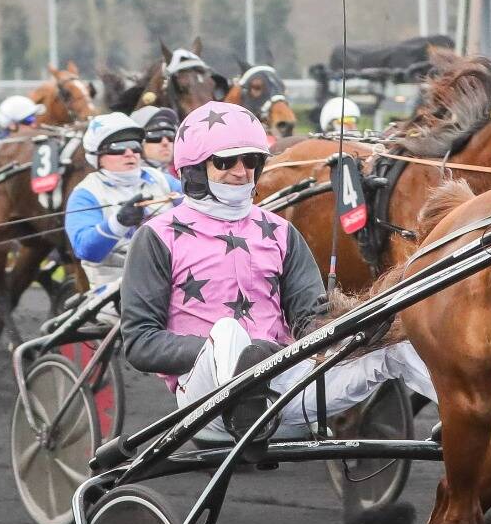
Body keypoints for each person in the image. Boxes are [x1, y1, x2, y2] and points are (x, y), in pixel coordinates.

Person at [120, 103, 433, 436]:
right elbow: (141, 342)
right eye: (225, 162)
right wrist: (231, 352)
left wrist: (356, 329)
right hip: (206, 403)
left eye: (252, 161)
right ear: (195, 168)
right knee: (229, 332)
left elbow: (309, 321)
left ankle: (478, 419)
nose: (241, 172)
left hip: (284, 385)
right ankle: (247, 411)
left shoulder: (280, 232)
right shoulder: (156, 237)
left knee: (398, 346)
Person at [64, 113, 180, 288]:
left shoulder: (164, 180)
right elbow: (85, 250)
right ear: (97, 156)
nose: (129, 153)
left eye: (134, 146)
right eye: (118, 147)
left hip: (171, 279)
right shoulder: (85, 194)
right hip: (116, 291)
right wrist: (118, 223)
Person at [130, 105, 179, 172]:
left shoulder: (181, 177)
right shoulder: (127, 180)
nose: (165, 142)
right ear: (137, 143)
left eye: (170, 135)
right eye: (155, 136)